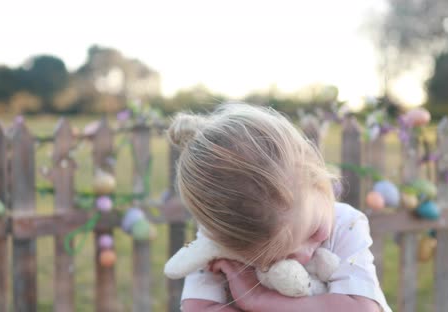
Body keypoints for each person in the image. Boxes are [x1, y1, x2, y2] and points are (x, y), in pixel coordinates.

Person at [167, 103, 391, 312]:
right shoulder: (219, 242)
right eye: (275, 257)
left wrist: (259, 299)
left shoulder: (346, 224)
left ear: (315, 173)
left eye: (314, 231)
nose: (304, 255)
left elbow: (362, 308)